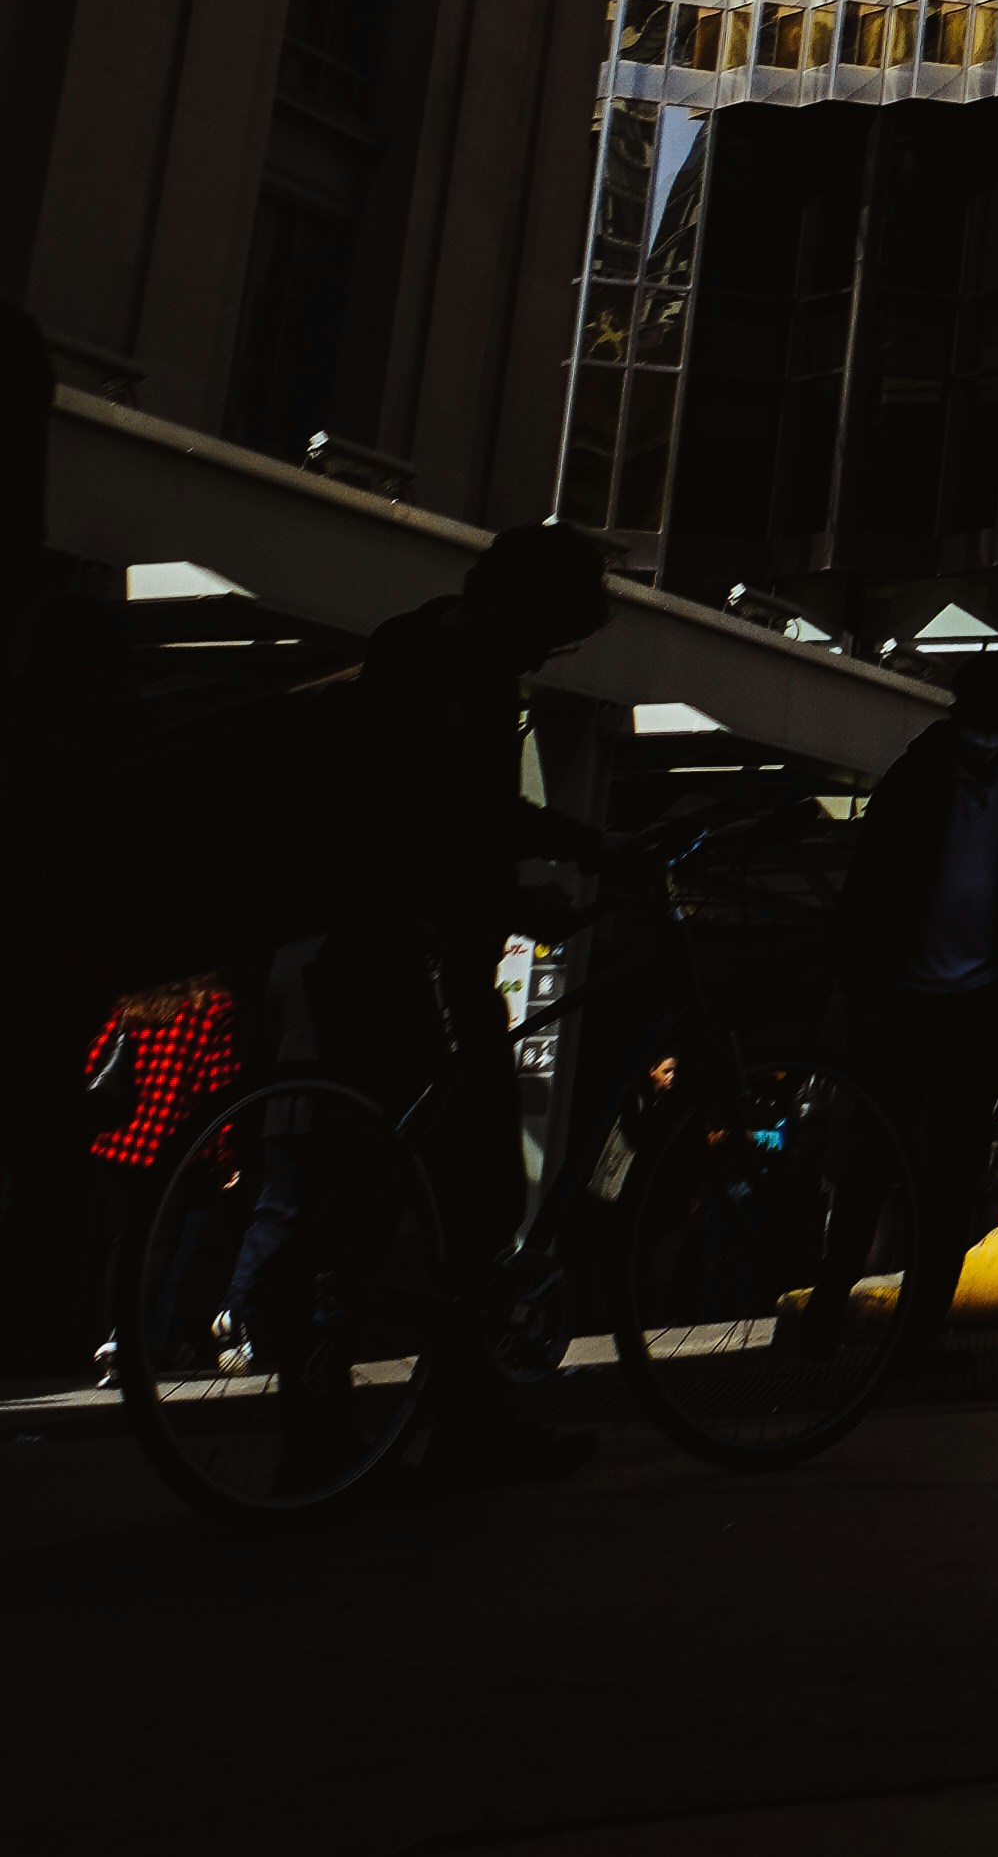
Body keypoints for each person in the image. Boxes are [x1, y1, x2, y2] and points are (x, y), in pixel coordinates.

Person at [271, 517, 622, 1473]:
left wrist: (543, 873)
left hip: (430, 958)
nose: (544, 654)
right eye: (546, 632)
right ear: (512, 605)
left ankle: (443, 1413)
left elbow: (460, 821)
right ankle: (345, 1412)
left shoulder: (453, 658)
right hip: (396, 960)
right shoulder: (426, 664)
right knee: (400, 1193)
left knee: (455, 1193)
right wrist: (564, 862)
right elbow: (436, 819)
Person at [835, 633, 998, 1339]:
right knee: (883, 1159)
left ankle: (916, 1324)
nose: (989, 729)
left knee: (941, 1171)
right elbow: (872, 884)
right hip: (912, 999)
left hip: (972, 1004)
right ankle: (841, 1297)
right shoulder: (922, 776)